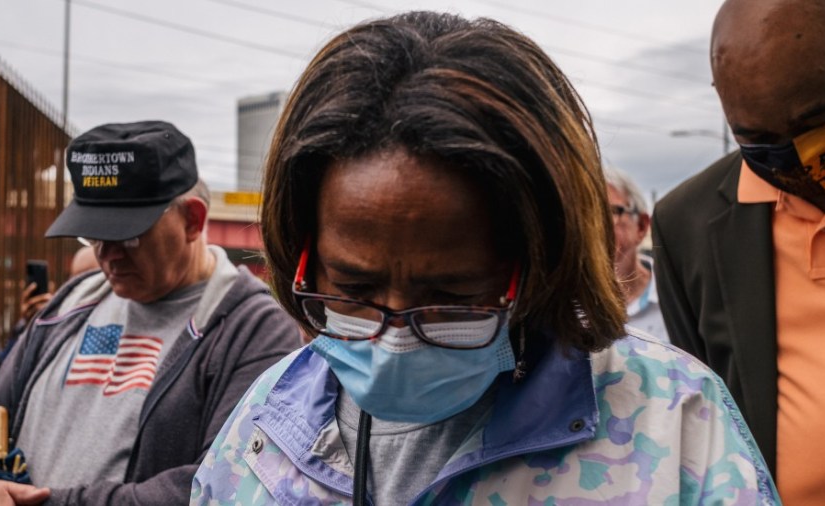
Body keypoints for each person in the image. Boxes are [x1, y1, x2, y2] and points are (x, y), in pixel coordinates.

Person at [192, 12, 778, 505]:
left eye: (450, 299)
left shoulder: (672, 423)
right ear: (305, 262)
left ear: (541, 262)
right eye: (353, 289)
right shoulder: (265, 426)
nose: (393, 339)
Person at [0, 120, 303, 505]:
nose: (106, 255)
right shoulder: (73, 301)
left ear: (192, 220)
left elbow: (221, 483)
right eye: (93, 236)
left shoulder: (254, 328)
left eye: (127, 235)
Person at [651, 0, 825, 502]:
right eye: (756, 139)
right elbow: (706, 413)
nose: (796, 161)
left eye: (816, 121)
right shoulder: (686, 225)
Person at [605, 166, 668, 342]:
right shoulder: (560, 309)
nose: (595, 224)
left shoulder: (674, 296)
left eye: (609, 212)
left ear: (641, 226)